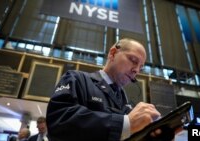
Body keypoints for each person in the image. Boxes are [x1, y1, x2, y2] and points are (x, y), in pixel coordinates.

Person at [46, 38, 177, 141]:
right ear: (113, 53)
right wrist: (125, 123)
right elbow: (59, 120)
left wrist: (154, 135)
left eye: (140, 67)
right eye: (133, 60)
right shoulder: (77, 79)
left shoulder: (125, 102)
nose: (136, 70)